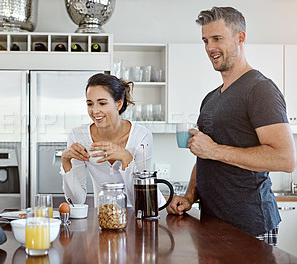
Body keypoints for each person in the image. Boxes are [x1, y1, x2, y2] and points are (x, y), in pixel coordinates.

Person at [166, 6, 296, 247]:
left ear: (240, 37)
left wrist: (214, 149)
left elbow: (285, 159)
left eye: (217, 38)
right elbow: (204, 157)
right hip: (212, 223)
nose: (210, 48)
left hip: (249, 226)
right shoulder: (211, 98)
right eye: (205, 40)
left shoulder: (260, 90)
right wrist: (189, 195)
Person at [60, 73, 165, 207]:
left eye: (102, 103)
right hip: (103, 218)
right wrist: (65, 162)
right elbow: (77, 201)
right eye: (90, 104)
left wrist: (126, 159)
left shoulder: (141, 136)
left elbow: (143, 201)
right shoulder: (78, 135)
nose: (95, 111)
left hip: (137, 218)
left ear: (118, 103)